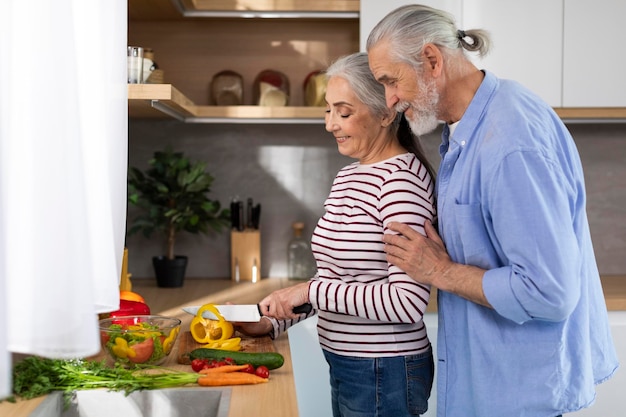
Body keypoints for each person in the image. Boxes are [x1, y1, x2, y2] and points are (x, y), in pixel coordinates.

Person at [365, 4, 619, 417]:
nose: (390, 100)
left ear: (431, 60)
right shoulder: (470, 124)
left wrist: (439, 271)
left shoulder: (509, 143)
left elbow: (549, 291)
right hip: (496, 389)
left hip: (520, 397)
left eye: (391, 81)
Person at [237, 52, 437, 417]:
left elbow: (407, 302)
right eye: (327, 110)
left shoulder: (400, 182)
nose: (331, 124)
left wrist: (306, 290)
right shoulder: (349, 175)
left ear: (386, 113)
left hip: (383, 369)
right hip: (347, 362)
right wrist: (275, 319)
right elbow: (338, 282)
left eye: (343, 112)